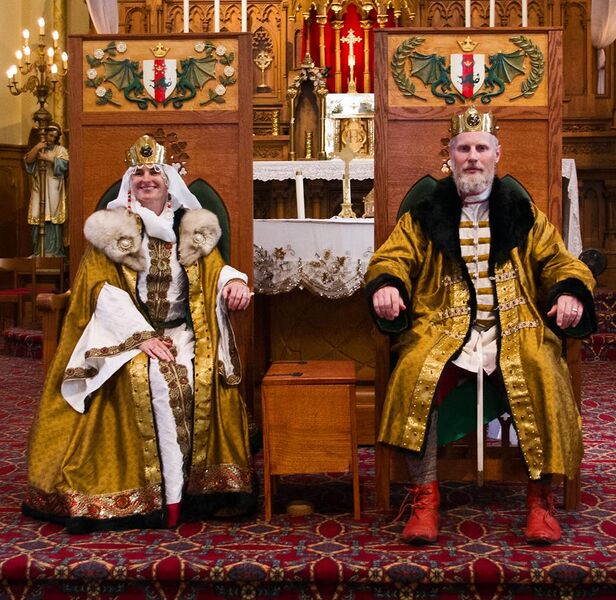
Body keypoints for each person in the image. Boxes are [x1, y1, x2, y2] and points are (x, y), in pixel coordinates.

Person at [366, 107, 596, 545]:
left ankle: (540, 500)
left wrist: (568, 291)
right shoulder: (425, 215)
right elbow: (391, 258)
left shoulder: (522, 214)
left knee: (543, 369)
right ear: (450, 156)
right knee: (415, 370)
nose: (473, 157)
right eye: (464, 149)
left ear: (496, 154)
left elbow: (560, 262)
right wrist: (388, 284)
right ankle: (425, 498)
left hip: (517, 325)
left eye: (481, 149)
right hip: (441, 326)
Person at [23, 135, 256, 533]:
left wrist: (233, 283)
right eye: (139, 173)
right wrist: (140, 336)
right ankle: (152, 497)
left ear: (169, 181)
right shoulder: (114, 228)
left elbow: (215, 270)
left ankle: (192, 493)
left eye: (155, 173)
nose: (147, 179)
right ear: (130, 181)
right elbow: (99, 289)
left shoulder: (192, 227)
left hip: (182, 332)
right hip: (124, 333)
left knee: (194, 375)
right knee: (150, 379)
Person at [24, 122, 69, 257]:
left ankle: (53, 251)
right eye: (50, 135)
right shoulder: (39, 148)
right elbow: (28, 161)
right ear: (45, 134)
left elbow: (65, 165)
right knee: (38, 215)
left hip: (54, 188)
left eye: (55, 136)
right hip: (40, 187)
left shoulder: (60, 150)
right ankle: (39, 251)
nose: (52, 139)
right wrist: (38, 147)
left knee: (53, 217)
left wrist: (49, 158)